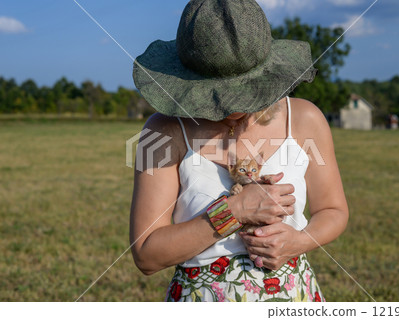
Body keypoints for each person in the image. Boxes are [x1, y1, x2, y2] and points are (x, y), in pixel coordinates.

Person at [129, 0, 348, 302]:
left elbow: (333, 212)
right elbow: (146, 254)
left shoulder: (306, 119)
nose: (232, 107)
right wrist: (234, 211)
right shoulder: (163, 132)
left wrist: (297, 241)